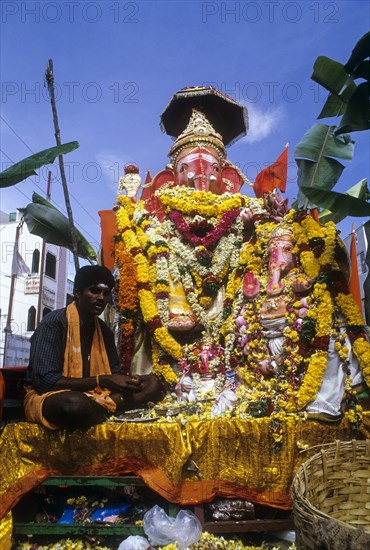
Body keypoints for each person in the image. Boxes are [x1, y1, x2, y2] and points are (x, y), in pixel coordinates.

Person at [24, 265, 165, 430]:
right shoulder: (54, 323)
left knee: (152, 382)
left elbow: (114, 373)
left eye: (105, 293)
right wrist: (102, 380)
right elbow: (46, 382)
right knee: (73, 404)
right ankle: (111, 409)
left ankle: (97, 412)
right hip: (52, 396)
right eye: (94, 291)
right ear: (77, 293)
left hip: (98, 395)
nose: (101, 298)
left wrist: (127, 382)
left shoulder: (104, 330)